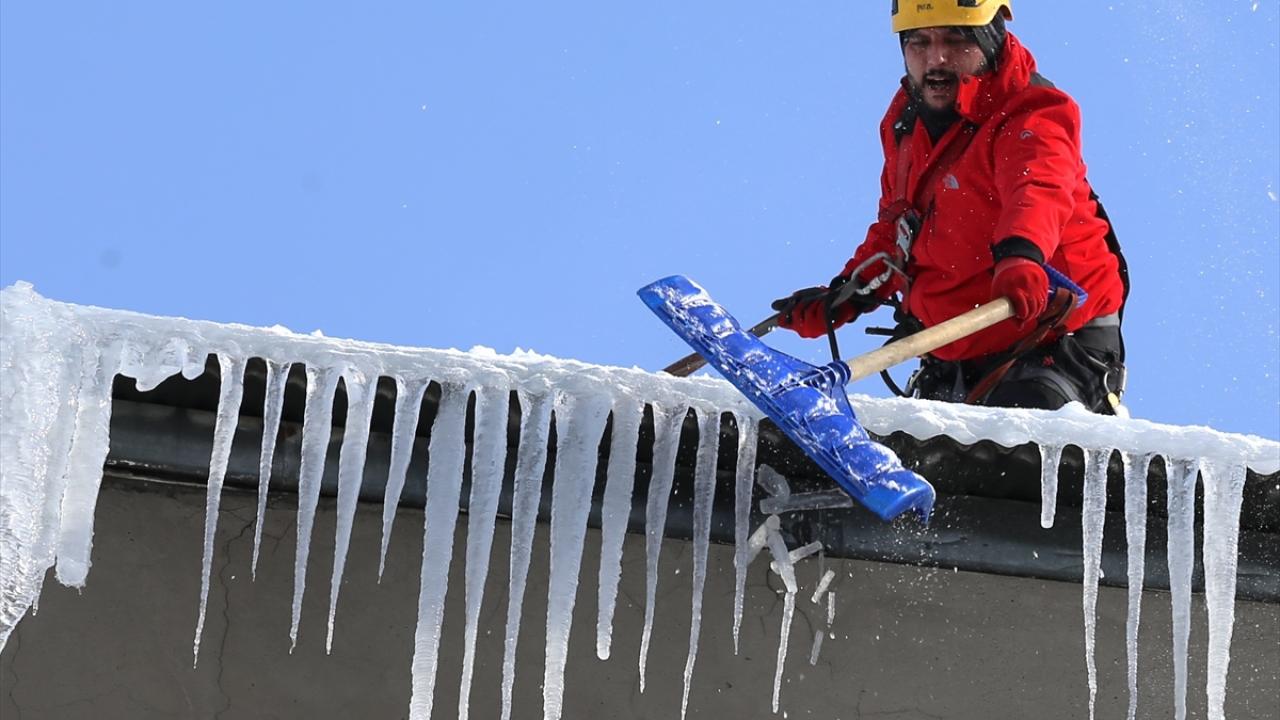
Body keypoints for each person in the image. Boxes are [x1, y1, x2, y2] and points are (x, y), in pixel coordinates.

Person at [775, 0, 1129, 414]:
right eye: (919, 43)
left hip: (1051, 347)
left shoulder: (1032, 110)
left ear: (991, 38)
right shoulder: (908, 122)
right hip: (952, 358)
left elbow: (1037, 189)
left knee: (1007, 452)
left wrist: (1022, 256)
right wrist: (846, 295)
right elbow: (899, 229)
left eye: (956, 40)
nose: (936, 59)